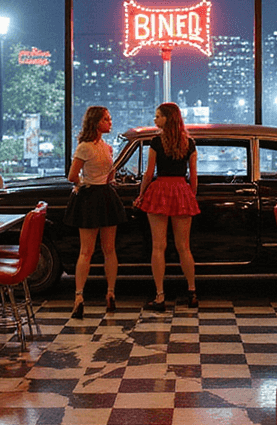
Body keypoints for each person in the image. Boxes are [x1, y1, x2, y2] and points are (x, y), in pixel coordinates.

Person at [133, 102, 200, 310]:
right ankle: (192, 292)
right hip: (181, 189)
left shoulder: (156, 142)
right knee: (184, 247)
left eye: (158, 116)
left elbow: (149, 172)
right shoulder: (189, 143)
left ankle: (160, 295)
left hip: (160, 190)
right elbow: (194, 176)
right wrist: (191, 195)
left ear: (167, 118)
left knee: (158, 247)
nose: (155, 120)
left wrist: (141, 194)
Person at [63, 106, 125, 318]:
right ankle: (111, 293)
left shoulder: (84, 147)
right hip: (107, 196)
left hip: (89, 197)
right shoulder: (107, 149)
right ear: (96, 122)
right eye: (106, 119)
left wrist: (81, 183)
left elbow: (72, 176)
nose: (110, 122)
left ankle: (79, 296)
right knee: (109, 249)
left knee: (85, 251)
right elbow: (110, 177)